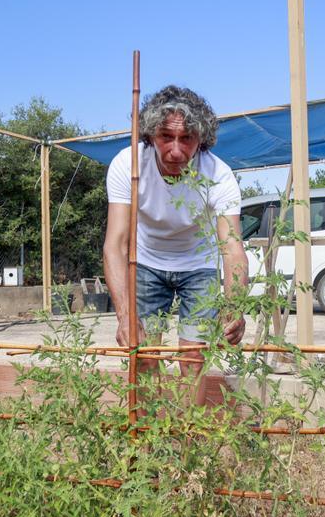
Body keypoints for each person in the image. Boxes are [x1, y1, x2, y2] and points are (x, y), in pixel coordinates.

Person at [102, 85, 249, 404]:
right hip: (146, 262)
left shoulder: (219, 175)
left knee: (193, 358)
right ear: (150, 135)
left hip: (199, 265)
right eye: (166, 136)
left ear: (201, 140)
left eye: (187, 138)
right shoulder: (127, 165)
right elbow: (115, 244)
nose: (176, 150)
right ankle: (147, 431)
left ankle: (188, 432)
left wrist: (234, 307)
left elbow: (232, 249)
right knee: (144, 353)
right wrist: (125, 315)